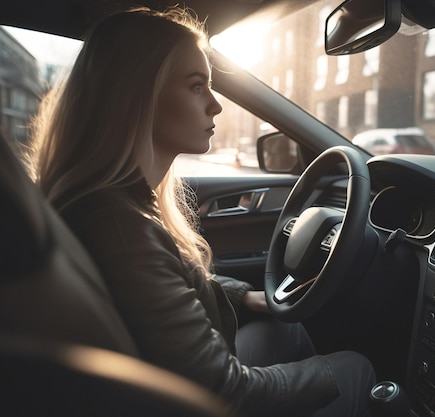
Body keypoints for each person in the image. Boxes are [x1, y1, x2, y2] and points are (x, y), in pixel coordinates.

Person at [25, 7, 376, 417]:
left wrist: (245, 296)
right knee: (356, 368)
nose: (215, 106)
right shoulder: (122, 229)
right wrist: (337, 374)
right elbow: (224, 393)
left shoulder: (110, 206)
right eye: (196, 86)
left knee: (284, 326)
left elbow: (166, 289)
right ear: (136, 94)